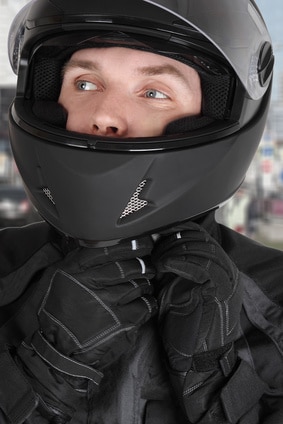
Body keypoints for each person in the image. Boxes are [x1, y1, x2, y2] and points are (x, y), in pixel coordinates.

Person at [0, 0, 282, 423]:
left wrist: (217, 381)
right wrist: (46, 370)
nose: (104, 116)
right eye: (85, 83)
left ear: (215, 117)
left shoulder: (276, 294)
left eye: (153, 93)